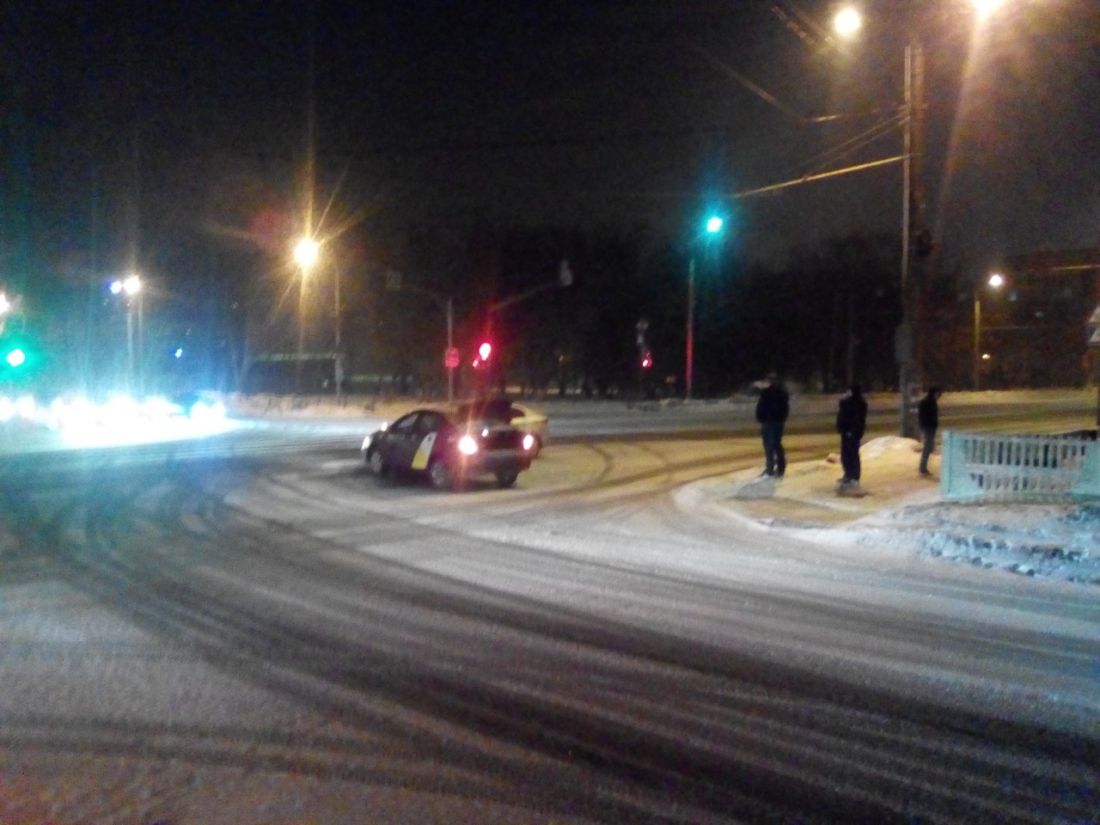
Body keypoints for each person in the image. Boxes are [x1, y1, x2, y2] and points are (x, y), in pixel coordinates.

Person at [755, 373, 789, 478]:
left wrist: (779, 418)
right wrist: (760, 417)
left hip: (775, 422)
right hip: (767, 421)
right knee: (768, 445)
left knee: (775, 444)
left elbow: (784, 409)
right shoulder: (766, 393)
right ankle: (770, 467)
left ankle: (779, 468)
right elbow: (760, 406)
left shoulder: (781, 393)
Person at [836, 384, 868, 490]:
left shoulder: (858, 403)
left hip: (853, 432)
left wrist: (852, 430)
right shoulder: (847, 403)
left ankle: (854, 476)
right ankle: (848, 474)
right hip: (846, 431)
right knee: (845, 454)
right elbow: (842, 413)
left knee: (852, 454)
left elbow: (856, 419)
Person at [918, 386, 942, 476]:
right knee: (927, 447)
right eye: (937, 394)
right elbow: (924, 416)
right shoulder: (928, 402)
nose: (938, 396)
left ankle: (923, 466)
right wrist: (928, 424)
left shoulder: (930, 401)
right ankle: (922, 467)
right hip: (928, 427)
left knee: (928, 447)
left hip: (929, 427)